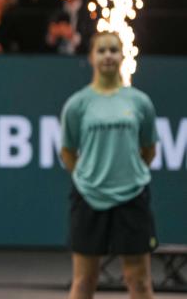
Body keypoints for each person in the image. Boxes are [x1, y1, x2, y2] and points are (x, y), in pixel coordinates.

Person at [60, 31, 158, 299]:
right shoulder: (77, 104)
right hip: (89, 197)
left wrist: (127, 173)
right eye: (101, 51)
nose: (107, 56)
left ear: (122, 55)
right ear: (91, 57)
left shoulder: (139, 102)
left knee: (138, 281)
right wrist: (87, 176)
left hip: (132, 197)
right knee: (83, 281)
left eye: (113, 50)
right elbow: (68, 151)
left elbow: (149, 149)